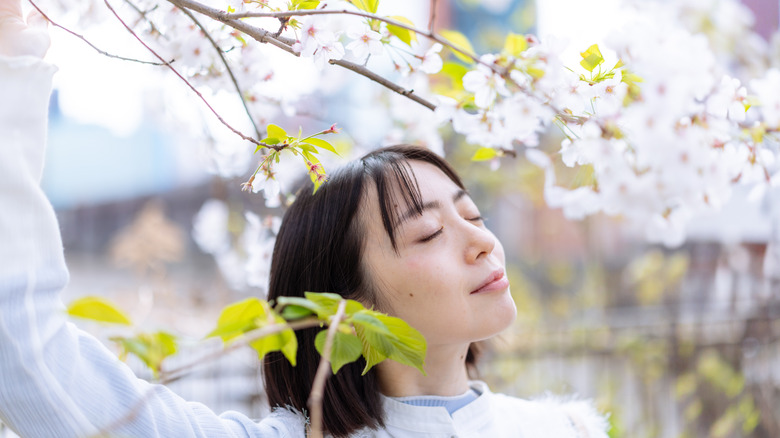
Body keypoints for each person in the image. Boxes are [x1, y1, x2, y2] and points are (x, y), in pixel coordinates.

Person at [0, 0, 609, 436]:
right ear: (345, 306)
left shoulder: (564, 428)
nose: (482, 243)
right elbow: (28, 357)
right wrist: (12, 60)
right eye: (428, 231)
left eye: (472, 214)